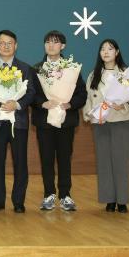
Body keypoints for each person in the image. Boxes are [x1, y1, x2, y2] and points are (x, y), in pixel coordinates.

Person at [31, 30, 87, 212]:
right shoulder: (37, 69)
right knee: (46, 159)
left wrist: (70, 104)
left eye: (55, 42)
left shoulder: (72, 69)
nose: (51, 45)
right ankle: (49, 194)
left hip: (66, 121)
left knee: (64, 158)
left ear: (63, 46)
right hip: (44, 122)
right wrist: (43, 103)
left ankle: (65, 195)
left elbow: (82, 94)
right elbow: (31, 94)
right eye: (48, 42)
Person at [83, 39, 129, 213]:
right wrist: (89, 114)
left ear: (117, 52)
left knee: (121, 161)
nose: (106, 52)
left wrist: (124, 105)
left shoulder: (125, 73)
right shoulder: (94, 75)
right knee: (104, 161)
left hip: (120, 120)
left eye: (110, 48)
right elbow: (88, 98)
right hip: (100, 122)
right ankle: (109, 199)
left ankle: (122, 200)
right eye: (102, 49)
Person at [0, 30, 35, 213]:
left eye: (9, 43)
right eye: (2, 43)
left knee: (20, 162)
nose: (5, 46)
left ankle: (18, 201)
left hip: (18, 123)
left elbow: (31, 93)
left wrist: (17, 104)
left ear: (16, 45)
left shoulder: (25, 68)